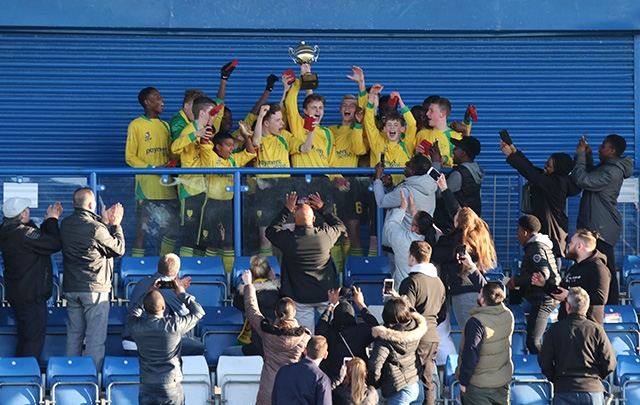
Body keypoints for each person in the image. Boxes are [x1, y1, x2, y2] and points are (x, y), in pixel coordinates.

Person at [60, 187, 125, 370]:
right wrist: (115, 225)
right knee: (95, 340)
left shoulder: (65, 224)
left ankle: (70, 377)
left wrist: (103, 222)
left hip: (72, 289)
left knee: (74, 336)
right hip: (94, 291)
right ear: (91, 204)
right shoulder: (96, 228)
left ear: (74, 204)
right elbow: (117, 249)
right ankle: (91, 380)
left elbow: (93, 241)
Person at [265, 191, 346, 333]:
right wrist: (323, 208)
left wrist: (287, 210)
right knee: (332, 335)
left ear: (294, 221)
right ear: (314, 219)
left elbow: (270, 231)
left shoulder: (288, 240)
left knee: (305, 339)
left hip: (299, 297)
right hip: (326, 295)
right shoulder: (325, 236)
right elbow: (340, 226)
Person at [573, 134, 634, 305]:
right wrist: (588, 156)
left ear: (613, 151)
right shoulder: (608, 167)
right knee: (595, 268)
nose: (600, 148)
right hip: (598, 225)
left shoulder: (611, 171)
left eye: (603, 146)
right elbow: (592, 175)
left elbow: (582, 179)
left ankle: (611, 307)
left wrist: (579, 155)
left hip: (601, 228)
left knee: (604, 270)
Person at [0, 197, 63, 358]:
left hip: (19, 294)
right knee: (33, 342)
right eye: (27, 210)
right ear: (23, 214)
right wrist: (52, 221)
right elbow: (53, 243)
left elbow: (37, 239)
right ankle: (27, 377)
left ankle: (19, 376)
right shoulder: (24, 233)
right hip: (31, 296)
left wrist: (46, 222)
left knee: (24, 339)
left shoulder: (7, 231)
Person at [126, 278, 205, 405]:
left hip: (147, 385)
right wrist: (182, 294)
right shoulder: (174, 325)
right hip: (171, 385)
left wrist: (147, 295)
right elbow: (199, 312)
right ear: (163, 307)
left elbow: (132, 313)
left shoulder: (136, 326)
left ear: (145, 308)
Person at [501, 140, 581, 265]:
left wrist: (511, 157)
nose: (545, 166)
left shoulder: (556, 184)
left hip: (551, 233)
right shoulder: (550, 180)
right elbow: (532, 169)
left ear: (557, 169)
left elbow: (532, 174)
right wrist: (515, 152)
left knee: (549, 264)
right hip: (547, 231)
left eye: (548, 165)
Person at [241, 269, 311, 404]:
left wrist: (248, 284)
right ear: (294, 313)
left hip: (269, 389)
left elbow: (251, 309)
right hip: (292, 389)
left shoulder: (267, 331)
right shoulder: (304, 336)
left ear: (275, 313)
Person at [125, 86, 180, 257]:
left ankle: (164, 264)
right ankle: (136, 267)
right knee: (143, 229)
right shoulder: (136, 125)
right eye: (157, 98)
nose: (162, 100)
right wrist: (153, 168)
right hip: (146, 189)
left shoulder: (165, 126)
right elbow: (130, 157)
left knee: (172, 229)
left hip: (167, 188)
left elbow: (171, 153)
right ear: (147, 102)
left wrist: (173, 162)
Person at [538, 286, 616, 405]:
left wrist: (556, 378)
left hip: (564, 389)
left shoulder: (555, 329)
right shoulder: (596, 330)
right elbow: (610, 362)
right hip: (592, 390)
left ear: (568, 306)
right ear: (586, 307)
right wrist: (596, 377)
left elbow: (544, 360)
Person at [390, 240, 446, 405]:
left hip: (416, 338)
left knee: (411, 381)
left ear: (412, 257)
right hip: (433, 336)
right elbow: (442, 313)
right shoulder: (439, 283)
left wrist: (397, 301)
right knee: (427, 381)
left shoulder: (411, 282)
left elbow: (405, 314)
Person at [121, 253, 204, 356]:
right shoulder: (168, 289)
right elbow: (188, 314)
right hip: (151, 342)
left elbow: (133, 312)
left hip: (130, 341)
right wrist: (182, 294)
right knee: (198, 347)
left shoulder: (141, 282)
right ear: (176, 272)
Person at [171, 96, 223, 257]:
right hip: (189, 188)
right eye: (211, 113)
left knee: (202, 233)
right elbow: (174, 148)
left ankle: (198, 271)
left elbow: (209, 162)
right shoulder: (189, 130)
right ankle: (186, 268)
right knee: (190, 232)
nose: (213, 117)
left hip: (204, 187)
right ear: (201, 113)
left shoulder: (208, 132)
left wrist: (205, 138)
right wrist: (195, 135)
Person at [198, 131, 256, 272]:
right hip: (212, 204)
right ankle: (209, 274)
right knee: (212, 243)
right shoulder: (210, 157)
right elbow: (204, 143)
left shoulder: (233, 160)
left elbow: (251, 153)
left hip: (230, 205)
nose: (232, 148)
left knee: (229, 244)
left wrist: (247, 136)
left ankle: (229, 278)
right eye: (228, 145)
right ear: (218, 147)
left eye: (232, 145)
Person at [431, 207, 495, 328]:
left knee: (468, 331)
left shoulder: (458, 239)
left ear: (458, 221)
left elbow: (438, 255)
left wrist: (441, 239)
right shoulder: (477, 236)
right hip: (476, 287)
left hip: (462, 289)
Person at [506, 215, 560, 354]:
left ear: (524, 232)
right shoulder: (538, 246)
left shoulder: (536, 248)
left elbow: (543, 273)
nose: (517, 235)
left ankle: (545, 371)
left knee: (533, 342)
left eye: (518, 231)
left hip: (544, 300)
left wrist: (516, 281)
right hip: (539, 298)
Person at [532, 229, 610, 325]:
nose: (568, 245)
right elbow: (562, 291)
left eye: (571, 242)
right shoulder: (574, 268)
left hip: (586, 328)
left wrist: (569, 296)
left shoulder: (598, 268)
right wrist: (544, 284)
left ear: (579, 246)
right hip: (567, 326)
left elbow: (600, 297)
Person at [455, 282, 514, 405]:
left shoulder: (476, 322)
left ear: (482, 300)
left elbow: (471, 354)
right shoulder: (508, 315)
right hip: (502, 383)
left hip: (478, 387)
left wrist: (463, 381)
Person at [251, 103, 297, 256]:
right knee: (265, 238)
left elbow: (305, 148)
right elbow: (256, 142)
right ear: (266, 123)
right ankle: (267, 277)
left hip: (284, 188)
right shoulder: (258, 135)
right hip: (264, 189)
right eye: (278, 120)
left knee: (288, 234)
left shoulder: (284, 136)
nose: (282, 124)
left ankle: (287, 275)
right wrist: (260, 117)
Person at [369, 298, 427, 405]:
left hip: (399, 389)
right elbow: (412, 311)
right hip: (416, 384)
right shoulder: (415, 327)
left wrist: (376, 384)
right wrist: (400, 298)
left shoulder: (385, 339)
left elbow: (375, 365)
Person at [315, 286, 378, 382]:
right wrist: (360, 304)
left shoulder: (330, 332)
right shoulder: (360, 331)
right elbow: (375, 326)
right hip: (358, 378)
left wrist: (331, 304)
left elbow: (320, 327)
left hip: (333, 379)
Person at [382, 190, 437, 286]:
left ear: (415, 228)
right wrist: (414, 214)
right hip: (426, 290)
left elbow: (390, 225)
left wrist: (402, 208)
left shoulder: (402, 239)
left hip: (403, 289)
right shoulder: (434, 239)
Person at [431, 136, 484, 233]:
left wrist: (436, 163)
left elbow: (440, 193)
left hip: (451, 224)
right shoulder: (477, 171)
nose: (453, 152)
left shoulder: (459, 174)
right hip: (469, 222)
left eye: (455, 148)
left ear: (463, 153)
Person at [230, 254, 281, 356]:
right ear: (270, 272)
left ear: (251, 275)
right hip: (276, 350)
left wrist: (247, 284)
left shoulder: (245, 295)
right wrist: (274, 280)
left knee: (226, 353)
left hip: (255, 348)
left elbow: (236, 303)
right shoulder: (279, 293)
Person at [272, 335, 332, 405]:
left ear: (305, 350)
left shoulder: (283, 371)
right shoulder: (322, 379)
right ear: (325, 355)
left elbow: (275, 400)